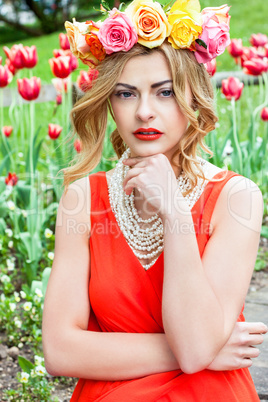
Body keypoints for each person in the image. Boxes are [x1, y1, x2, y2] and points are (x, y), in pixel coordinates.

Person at [42, 0, 267, 400]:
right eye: (126, 94)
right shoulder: (83, 198)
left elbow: (197, 346)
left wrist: (176, 212)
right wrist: (202, 349)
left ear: (193, 97)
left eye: (164, 92)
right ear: (109, 102)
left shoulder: (237, 198)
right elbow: (60, 351)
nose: (144, 112)